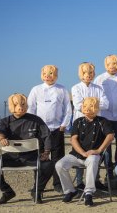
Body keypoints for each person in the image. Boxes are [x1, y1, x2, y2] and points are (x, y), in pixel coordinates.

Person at [0, 94, 53, 204]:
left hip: (32, 156)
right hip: (12, 156)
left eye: (22, 104)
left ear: (26, 105)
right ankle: (7, 192)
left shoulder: (36, 120)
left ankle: (37, 191)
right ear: (11, 106)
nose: (20, 107)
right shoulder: (5, 121)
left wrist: (46, 152)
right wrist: (1, 138)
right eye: (16, 104)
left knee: (49, 165)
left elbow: (47, 135)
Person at [55, 97, 114, 206]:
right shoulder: (78, 121)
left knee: (92, 161)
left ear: (96, 108)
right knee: (59, 165)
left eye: (91, 106)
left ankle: (89, 192)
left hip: (93, 155)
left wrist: (98, 150)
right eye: (85, 105)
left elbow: (110, 136)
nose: (87, 108)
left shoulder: (103, 121)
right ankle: (70, 191)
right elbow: (73, 139)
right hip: (77, 154)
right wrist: (82, 153)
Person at [27, 65, 72, 193]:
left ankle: (57, 184)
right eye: (45, 73)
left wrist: (64, 125)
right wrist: (33, 126)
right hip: (40, 130)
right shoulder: (36, 90)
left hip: (57, 128)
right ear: (42, 75)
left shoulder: (62, 89)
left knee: (58, 158)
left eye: (51, 73)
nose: (48, 76)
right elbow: (31, 109)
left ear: (56, 75)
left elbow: (67, 109)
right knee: (40, 157)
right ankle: (38, 185)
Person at [71, 62, 109, 190]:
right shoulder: (76, 88)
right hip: (80, 123)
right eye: (85, 72)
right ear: (79, 73)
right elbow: (78, 105)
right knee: (80, 151)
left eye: (90, 72)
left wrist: (91, 106)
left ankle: (95, 180)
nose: (88, 75)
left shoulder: (98, 88)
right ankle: (79, 181)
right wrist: (94, 106)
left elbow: (106, 103)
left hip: (96, 124)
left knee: (96, 150)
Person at [94, 55, 117, 167]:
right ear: (105, 65)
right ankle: (108, 171)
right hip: (105, 117)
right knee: (107, 146)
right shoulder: (99, 79)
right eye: (109, 64)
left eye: (115, 64)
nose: (112, 66)